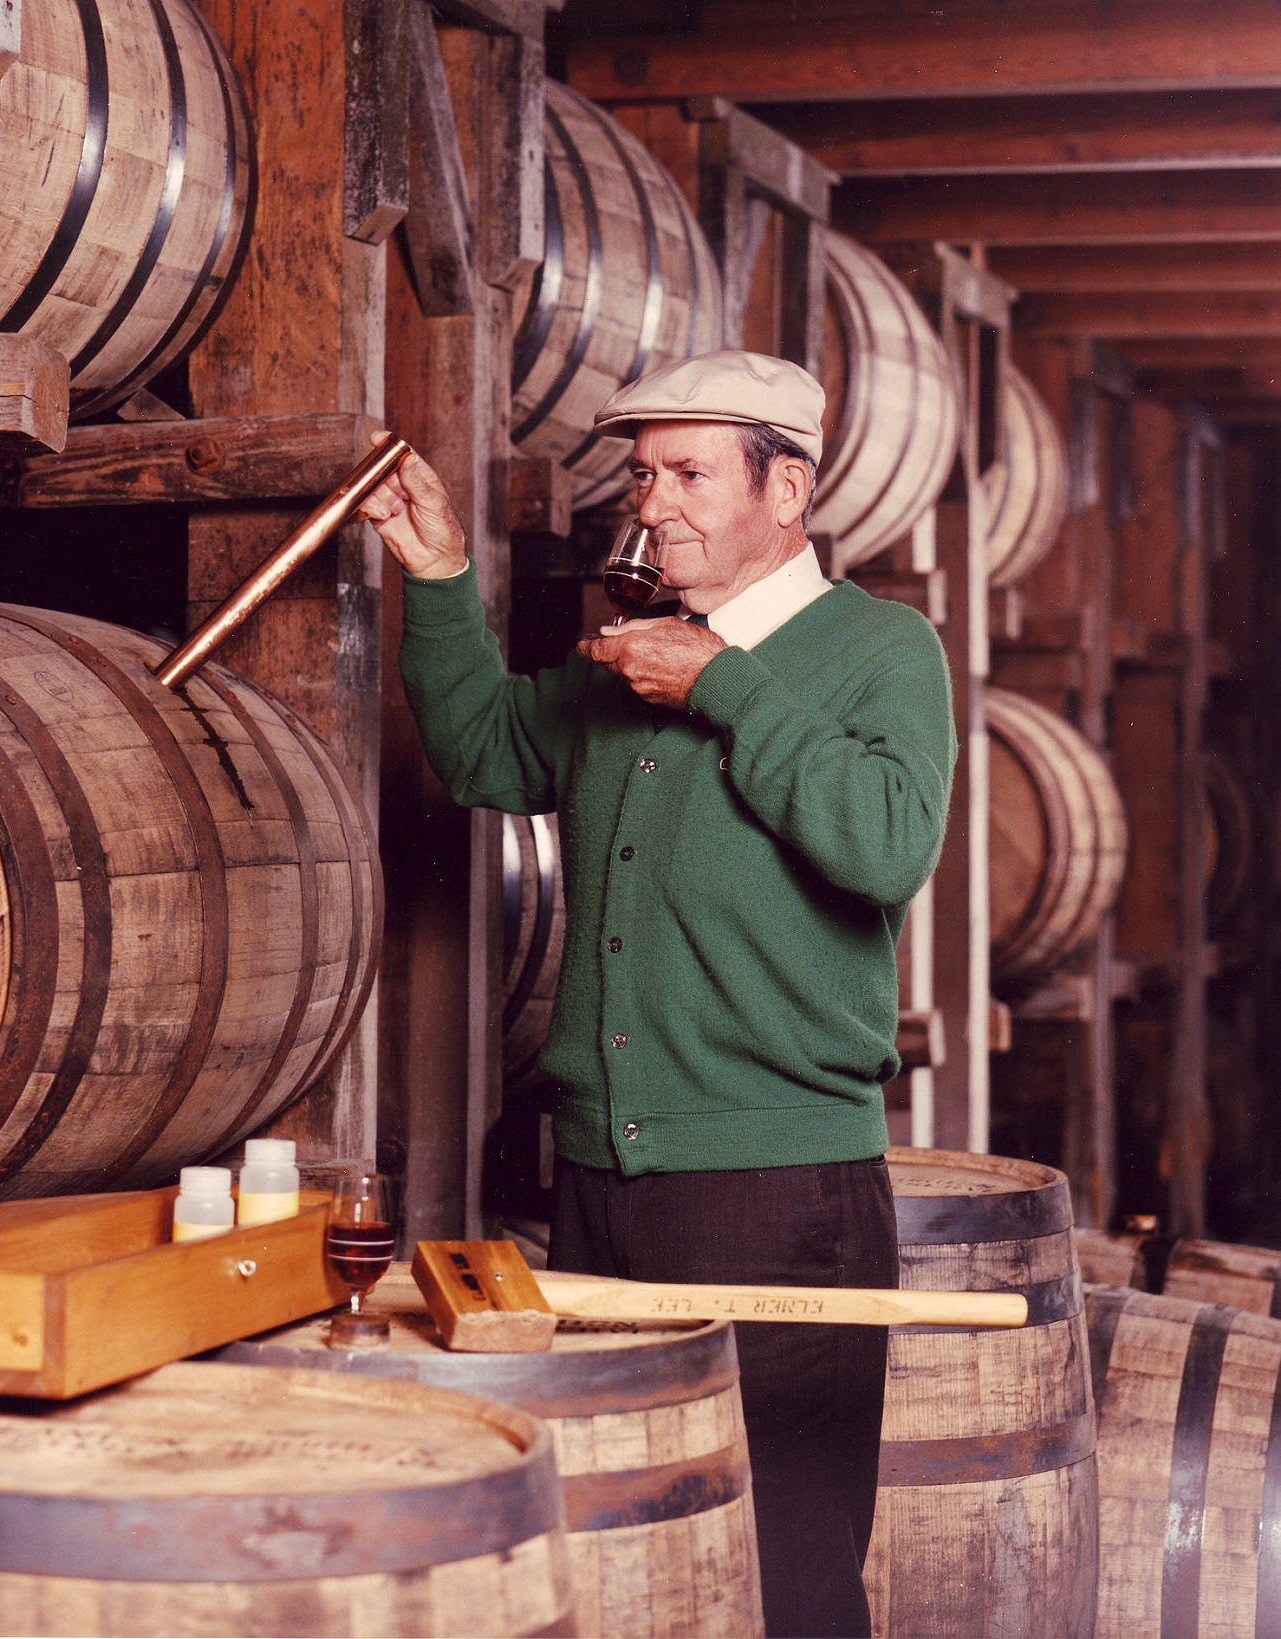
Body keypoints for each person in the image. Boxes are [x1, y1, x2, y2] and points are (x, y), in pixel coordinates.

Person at [362, 350, 956, 1639]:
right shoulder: (626, 660)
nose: (654, 503)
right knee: (631, 1571)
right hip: (601, 1183)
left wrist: (721, 684)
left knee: (786, 1579)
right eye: (644, 475)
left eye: (690, 475)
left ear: (786, 490)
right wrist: (440, 575)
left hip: (776, 1191)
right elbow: (484, 751)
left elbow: (886, 844)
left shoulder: (881, 648)